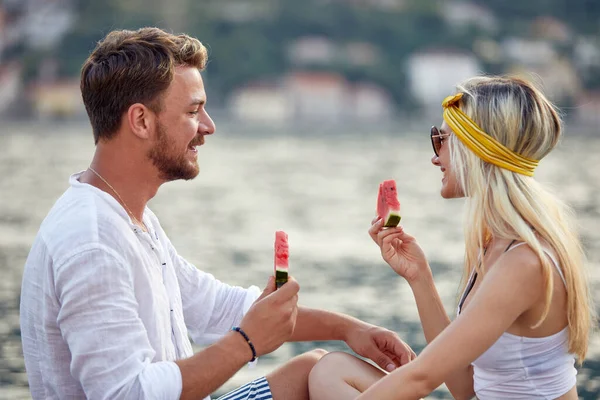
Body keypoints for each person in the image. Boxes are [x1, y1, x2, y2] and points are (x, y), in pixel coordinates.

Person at [19, 27, 417, 400]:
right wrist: (246, 342)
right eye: (194, 111)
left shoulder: (132, 219)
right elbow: (129, 393)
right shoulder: (92, 241)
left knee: (318, 368)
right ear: (141, 120)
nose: (208, 126)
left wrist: (350, 329)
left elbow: (218, 307)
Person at [308, 76, 594, 399]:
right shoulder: (496, 242)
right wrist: (419, 276)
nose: (435, 155)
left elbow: (422, 377)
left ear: (476, 148)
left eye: (442, 139)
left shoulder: (525, 262)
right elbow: (464, 385)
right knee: (330, 372)